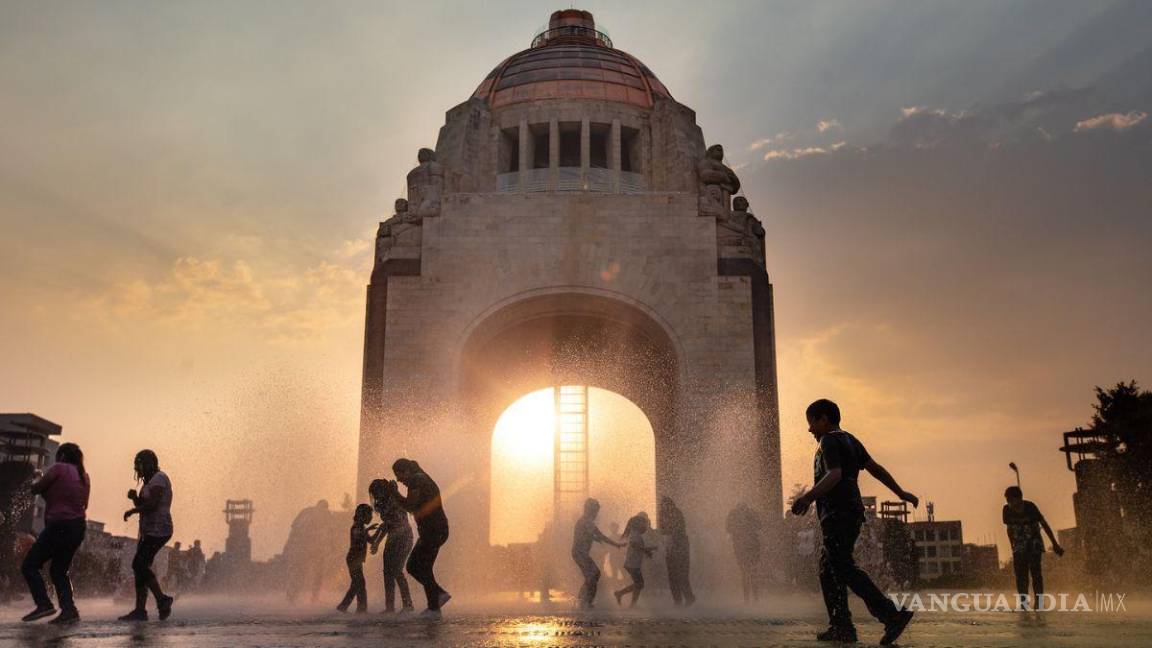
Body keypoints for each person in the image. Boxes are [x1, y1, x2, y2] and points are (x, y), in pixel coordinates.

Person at [790, 399, 916, 645]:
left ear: (824, 419)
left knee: (843, 566)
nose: (810, 430)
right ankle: (841, 626)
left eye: (812, 423)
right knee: (829, 569)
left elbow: (834, 474)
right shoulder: (850, 439)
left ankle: (891, 615)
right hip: (850, 513)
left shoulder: (829, 440)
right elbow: (875, 469)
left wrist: (807, 497)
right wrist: (901, 493)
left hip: (839, 514)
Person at [21, 443, 90, 625]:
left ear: (62, 456)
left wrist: (37, 477)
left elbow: (35, 489)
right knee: (59, 571)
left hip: (59, 526)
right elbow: (81, 504)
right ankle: (69, 610)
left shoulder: (59, 468)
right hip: (78, 527)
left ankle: (44, 604)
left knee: (30, 565)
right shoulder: (84, 476)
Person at [119, 449, 175, 621]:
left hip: (160, 530)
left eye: (140, 463)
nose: (138, 468)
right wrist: (135, 498)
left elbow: (152, 504)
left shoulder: (159, 478)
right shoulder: (148, 482)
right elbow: (145, 503)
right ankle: (140, 610)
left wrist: (133, 509)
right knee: (140, 568)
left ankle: (162, 599)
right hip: (149, 531)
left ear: (149, 463)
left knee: (139, 564)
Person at [392, 458, 450, 618]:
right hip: (434, 530)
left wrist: (394, 493)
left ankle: (437, 599)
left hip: (433, 530)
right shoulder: (420, 478)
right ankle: (435, 604)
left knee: (415, 566)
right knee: (419, 567)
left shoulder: (417, 480)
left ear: (407, 471)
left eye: (399, 475)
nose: (399, 479)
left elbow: (410, 506)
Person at [1003, 486, 1063, 610]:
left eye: (1011, 500)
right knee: (1021, 576)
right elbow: (1009, 530)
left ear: (1019, 499)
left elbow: (1044, 525)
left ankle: (1039, 603)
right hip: (1019, 545)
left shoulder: (1030, 507)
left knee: (1036, 573)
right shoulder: (1006, 510)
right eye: (1008, 501)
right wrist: (1013, 547)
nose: (1010, 504)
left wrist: (1055, 544)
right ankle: (1024, 604)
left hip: (1033, 543)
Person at [369, 479, 414, 613]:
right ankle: (391, 607)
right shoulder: (387, 501)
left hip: (402, 537)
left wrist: (377, 542)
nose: (375, 496)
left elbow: (389, 524)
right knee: (389, 572)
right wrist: (377, 541)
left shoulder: (391, 501)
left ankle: (407, 605)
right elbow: (388, 525)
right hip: (396, 538)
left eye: (376, 492)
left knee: (395, 571)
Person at [570, 498, 625, 609]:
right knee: (594, 574)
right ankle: (586, 602)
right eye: (595, 511)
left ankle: (581, 601)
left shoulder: (587, 521)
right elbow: (598, 535)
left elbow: (598, 535)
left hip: (581, 553)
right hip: (579, 553)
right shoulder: (585, 521)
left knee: (592, 576)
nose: (596, 514)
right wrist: (612, 543)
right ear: (590, 510)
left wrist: (615, 544)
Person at [337, 504, 375, 613]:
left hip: (356, 559)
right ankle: (361, 609)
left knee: (356, 584)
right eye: (369, 515)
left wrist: (380, 531)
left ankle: (343, 607)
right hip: (353, 559)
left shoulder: (361, 527)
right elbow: (357, 535)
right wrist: (368, 529)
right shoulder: (356, 526)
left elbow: (371, 540)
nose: (371, 517)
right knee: (360, 584)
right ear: (362, 515)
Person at [658, 497, 695, 606]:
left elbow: (677, 529)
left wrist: (669, 538)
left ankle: (688, 597)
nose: (665, 507)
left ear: (671, 504)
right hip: (670, 547)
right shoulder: (663, 514)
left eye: (667, 505)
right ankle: (678, 600)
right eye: (663, 505)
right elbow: (662, 530)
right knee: (672, 575)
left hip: (680, 546)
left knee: (682, 574)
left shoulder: (676, 513)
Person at [614, 513, 656, 608]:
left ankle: (628, 601)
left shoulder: (634, 533)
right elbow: (634, 545)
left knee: (639, 584)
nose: (645, 527)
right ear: (638, 525)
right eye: (644, 524)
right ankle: (623, 597)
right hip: (632, 564)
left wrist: (647, 550)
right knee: (639, 584)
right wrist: (646, 550)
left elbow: (637, 547)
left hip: (633, 563)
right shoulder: (635, 534)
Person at [726, 502, 763, 603]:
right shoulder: (751, 513)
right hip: (752, 546)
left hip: (741, 547)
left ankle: (748, 598)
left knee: (745, 572)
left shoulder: (734, 515)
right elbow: (760, 526)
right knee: (752, 572)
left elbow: (728, 529)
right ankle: (754, 598)